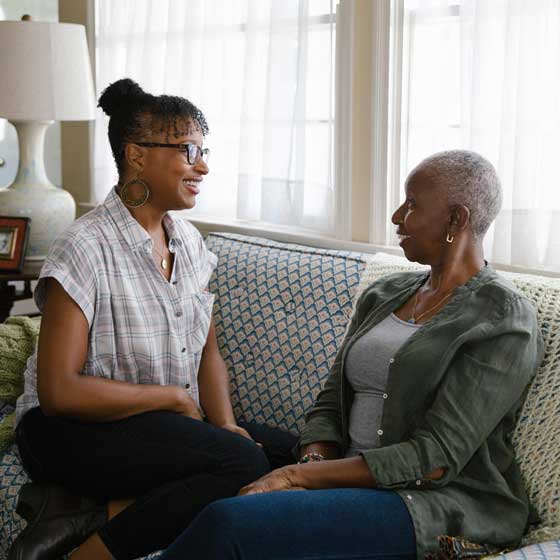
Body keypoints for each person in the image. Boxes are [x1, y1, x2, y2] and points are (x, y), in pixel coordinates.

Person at [159, 150, 544, 560]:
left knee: (228, 523)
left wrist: (299, 477)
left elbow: (435, 459)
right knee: (221, 451)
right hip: (346, 469)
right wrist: (313, 460)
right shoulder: (386, 293)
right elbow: (331, 401)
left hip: (430, 501)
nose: (397, 217)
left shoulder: (502, 316)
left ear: (457, 220)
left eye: (412, 205)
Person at [9, 78, 297, 560]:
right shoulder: (84, 247)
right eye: (188, 150)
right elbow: (59, 392)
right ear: (136, 155)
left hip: (153, 425)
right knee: (241, 463)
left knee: (294, 455)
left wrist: (222, 423)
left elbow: (208, 351)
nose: (203, 165)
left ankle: (88, 514)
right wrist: (172, 399)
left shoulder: (190, 243)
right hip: (64, 431)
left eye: (204, 150)